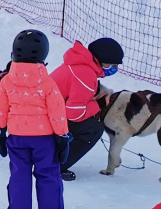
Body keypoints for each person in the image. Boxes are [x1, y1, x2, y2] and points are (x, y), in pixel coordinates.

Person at [0, 29, 67, 209]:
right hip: (44, 140)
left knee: (19, 175)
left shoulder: (6, 81)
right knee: (48, 174)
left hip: (17, 138)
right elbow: (57, 112)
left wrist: (0, 131)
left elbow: (0, 108)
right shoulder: (48, 83)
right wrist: (62, 136)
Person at [50, 37, 124, 181]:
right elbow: (74, 114)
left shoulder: (80, 65)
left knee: (88, 120)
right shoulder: (85, 74)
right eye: (113, 64)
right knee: (93, 128)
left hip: (43, 113)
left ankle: (52, 154)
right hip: (46, 119)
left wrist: (98, 90)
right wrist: (99, 104)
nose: (115, 68)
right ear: (103, 61)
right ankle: (57, 166)